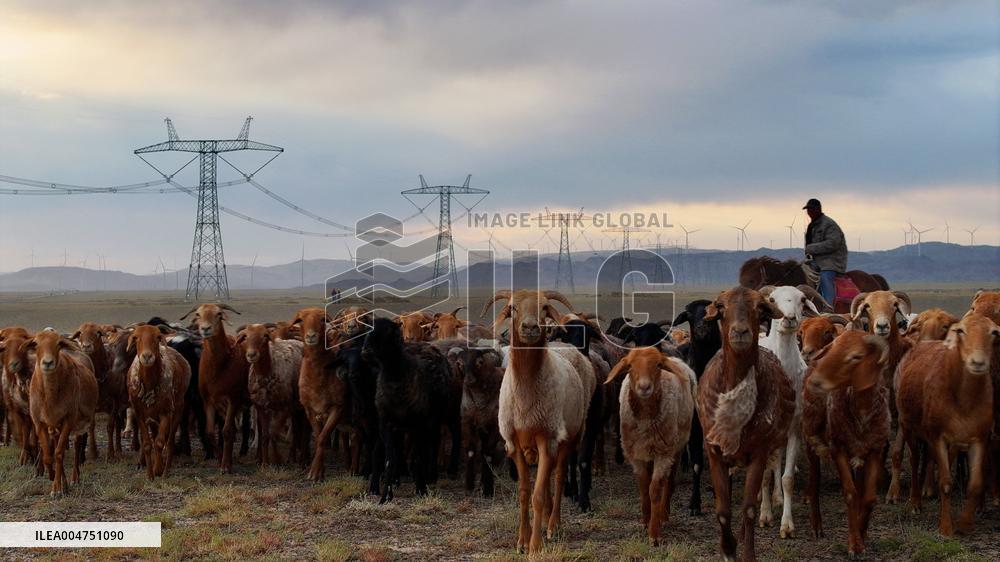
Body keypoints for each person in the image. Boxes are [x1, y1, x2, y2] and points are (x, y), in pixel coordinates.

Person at [803, 198, 847, 305]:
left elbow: (833, 243)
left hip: (831, 262)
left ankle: (828, 305)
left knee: (825, 277)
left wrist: (811, 248)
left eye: (812, 209)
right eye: (808, 210)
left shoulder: (829, 225)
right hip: (816, 262)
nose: (809, 212)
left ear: (818, 209)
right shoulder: (812, 226)